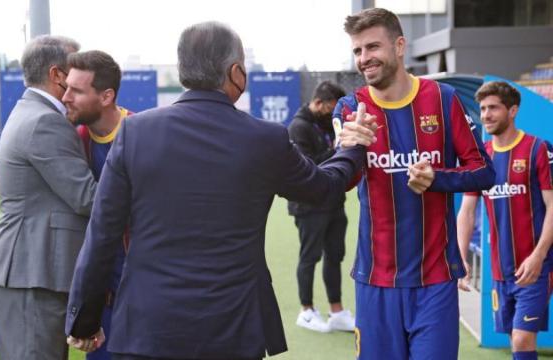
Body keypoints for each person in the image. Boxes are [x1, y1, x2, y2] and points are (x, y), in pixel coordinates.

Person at [65, 21, 376, 360]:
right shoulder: (265, 139)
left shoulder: (135, 132)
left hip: (149, 328)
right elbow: (325, 188)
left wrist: (84, 319)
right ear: (236, 72)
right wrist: (352, 147)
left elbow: (102, 234)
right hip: (233, 331)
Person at [335, 8, 495, 360]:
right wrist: (348, 148)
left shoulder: (443, 99)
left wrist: (436, 178)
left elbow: (484, 171)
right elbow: (338, 181)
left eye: (372, 47)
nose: (364, 59)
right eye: (358, 51)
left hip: (434, 280)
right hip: (374, 280)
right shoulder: (350, 109)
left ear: (400, 45)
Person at [0, 35, 98, 360]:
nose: (81, 76)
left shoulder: (33, 113)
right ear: (56, 75)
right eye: (76, 67)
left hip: (31, 272)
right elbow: (88, 197)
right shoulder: (44, 121)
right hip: (32, 273)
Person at [457, 81, 553, 360]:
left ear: (512, 110)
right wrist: (460, 257)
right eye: (483, 108)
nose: (486, 115)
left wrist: (539, 255)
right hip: (500, 269)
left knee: (523, 339)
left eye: (493, 108)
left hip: (536, 266)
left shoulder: (538, 150)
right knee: (516, 340)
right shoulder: (480, 157)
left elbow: (552, 207)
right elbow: (467, 210)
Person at [63, 50, 133, 360]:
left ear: (106, 97)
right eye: (66, 87)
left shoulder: (139, 134)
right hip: (101, 292)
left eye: (76, 90)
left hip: (143, 286)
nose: (65, 96)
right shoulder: (74, 139)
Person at [287, 81, 355, 332]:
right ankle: (306, 312)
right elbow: (307, 166)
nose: (334, 114)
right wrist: (336, 149)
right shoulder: (298, 127)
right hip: (308, 205)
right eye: (331, 108)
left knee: (334, 257)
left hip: (334, 202)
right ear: (319, 103)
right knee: (309, 257)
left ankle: (336, 312)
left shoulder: (327, 123)